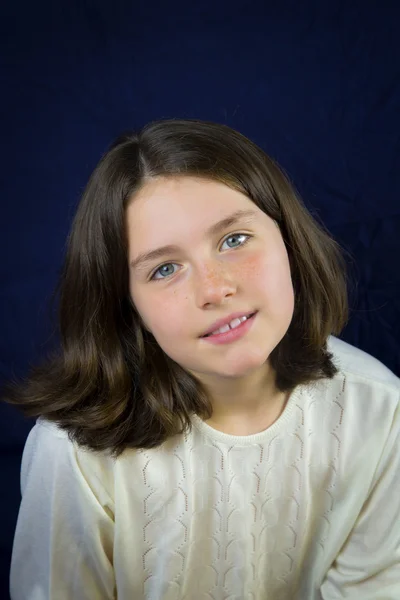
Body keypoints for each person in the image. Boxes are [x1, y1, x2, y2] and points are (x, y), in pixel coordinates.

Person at [3, 118, 399, 599]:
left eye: (234, 239)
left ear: (288, 240)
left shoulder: (378, 409)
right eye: (165, 269)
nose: (214, 289)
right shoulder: (74, 454)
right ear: (129, 307)